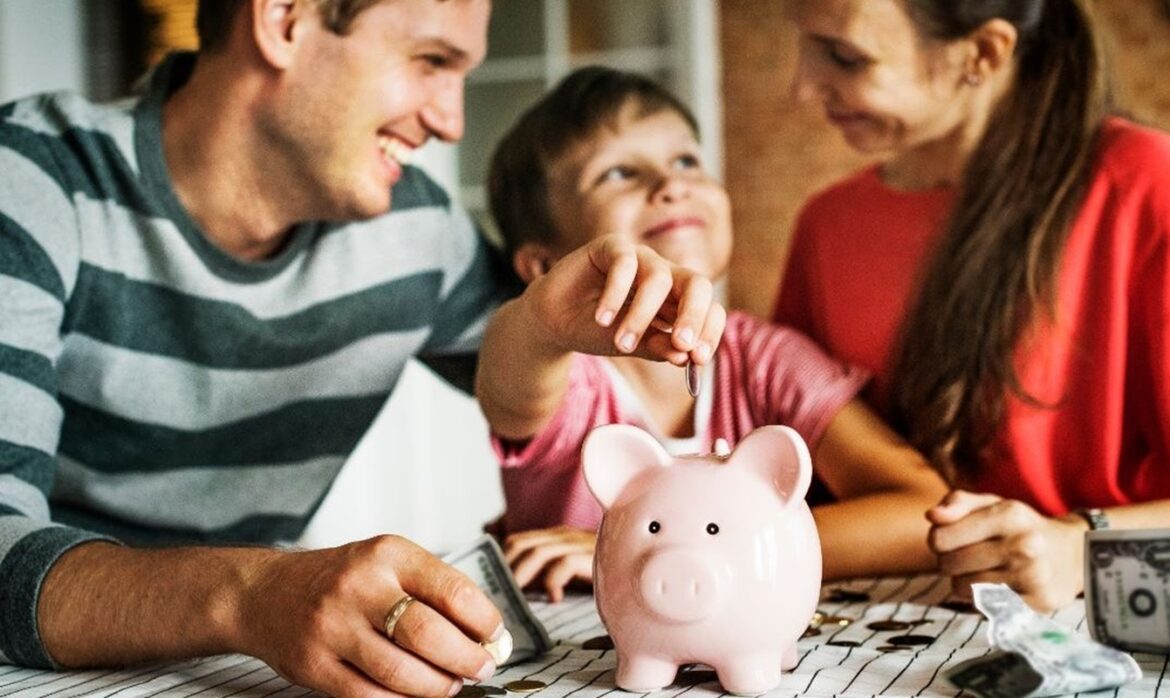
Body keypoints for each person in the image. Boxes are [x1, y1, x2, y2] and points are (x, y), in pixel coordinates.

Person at [0, 1, 726, 695]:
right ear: (285, 20)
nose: (450, 120)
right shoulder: (30, 179)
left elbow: (535, 397)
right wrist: (253, 594)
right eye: (431, 60)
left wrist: (556, 325)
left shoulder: (419, 232)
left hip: (227, 670)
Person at [475, 65, 949, 602]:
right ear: (544, 266)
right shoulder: (567, 375)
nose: (672, 184)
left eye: (685, 161)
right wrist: (540, 322)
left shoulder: (768, 360)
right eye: (618, 173)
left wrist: (696, 549)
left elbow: (922, 510)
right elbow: (508, 385)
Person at [775, 0, 1170, 612]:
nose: (802, 87)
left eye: (845, 56)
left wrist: (1081, 543)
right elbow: (794, 471)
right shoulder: (827, 225)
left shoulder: (1149, 184)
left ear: (983, 53)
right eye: (804, 44)